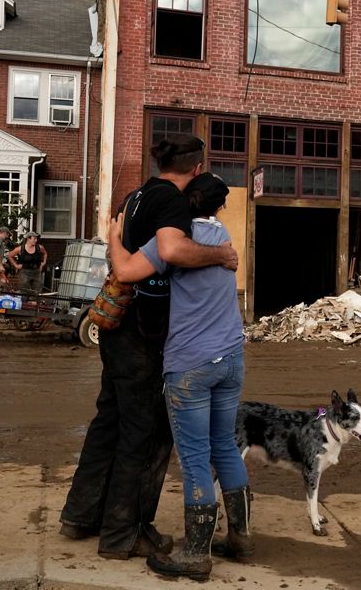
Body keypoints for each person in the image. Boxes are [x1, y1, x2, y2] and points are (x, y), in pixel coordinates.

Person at [59, 135, 238, 561]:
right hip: (145, 333)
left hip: (117, 328)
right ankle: (125, 533)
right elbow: (173, 249)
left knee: (110, 421)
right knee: (148, 432)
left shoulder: (135, 196)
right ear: (196, 169)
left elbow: (120, 246)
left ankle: (81, 514)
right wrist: (220, 255)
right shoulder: (173, 202)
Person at [108, 173, 250, 582]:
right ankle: (241, 538)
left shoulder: (171, 243)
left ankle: (196, 553)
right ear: (219, 207)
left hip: (190, 364)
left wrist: (114, 234)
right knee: (224, 444)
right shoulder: (224, 239)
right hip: (231, 358)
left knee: (193, 457)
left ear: (185, 202)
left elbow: (125, 271)